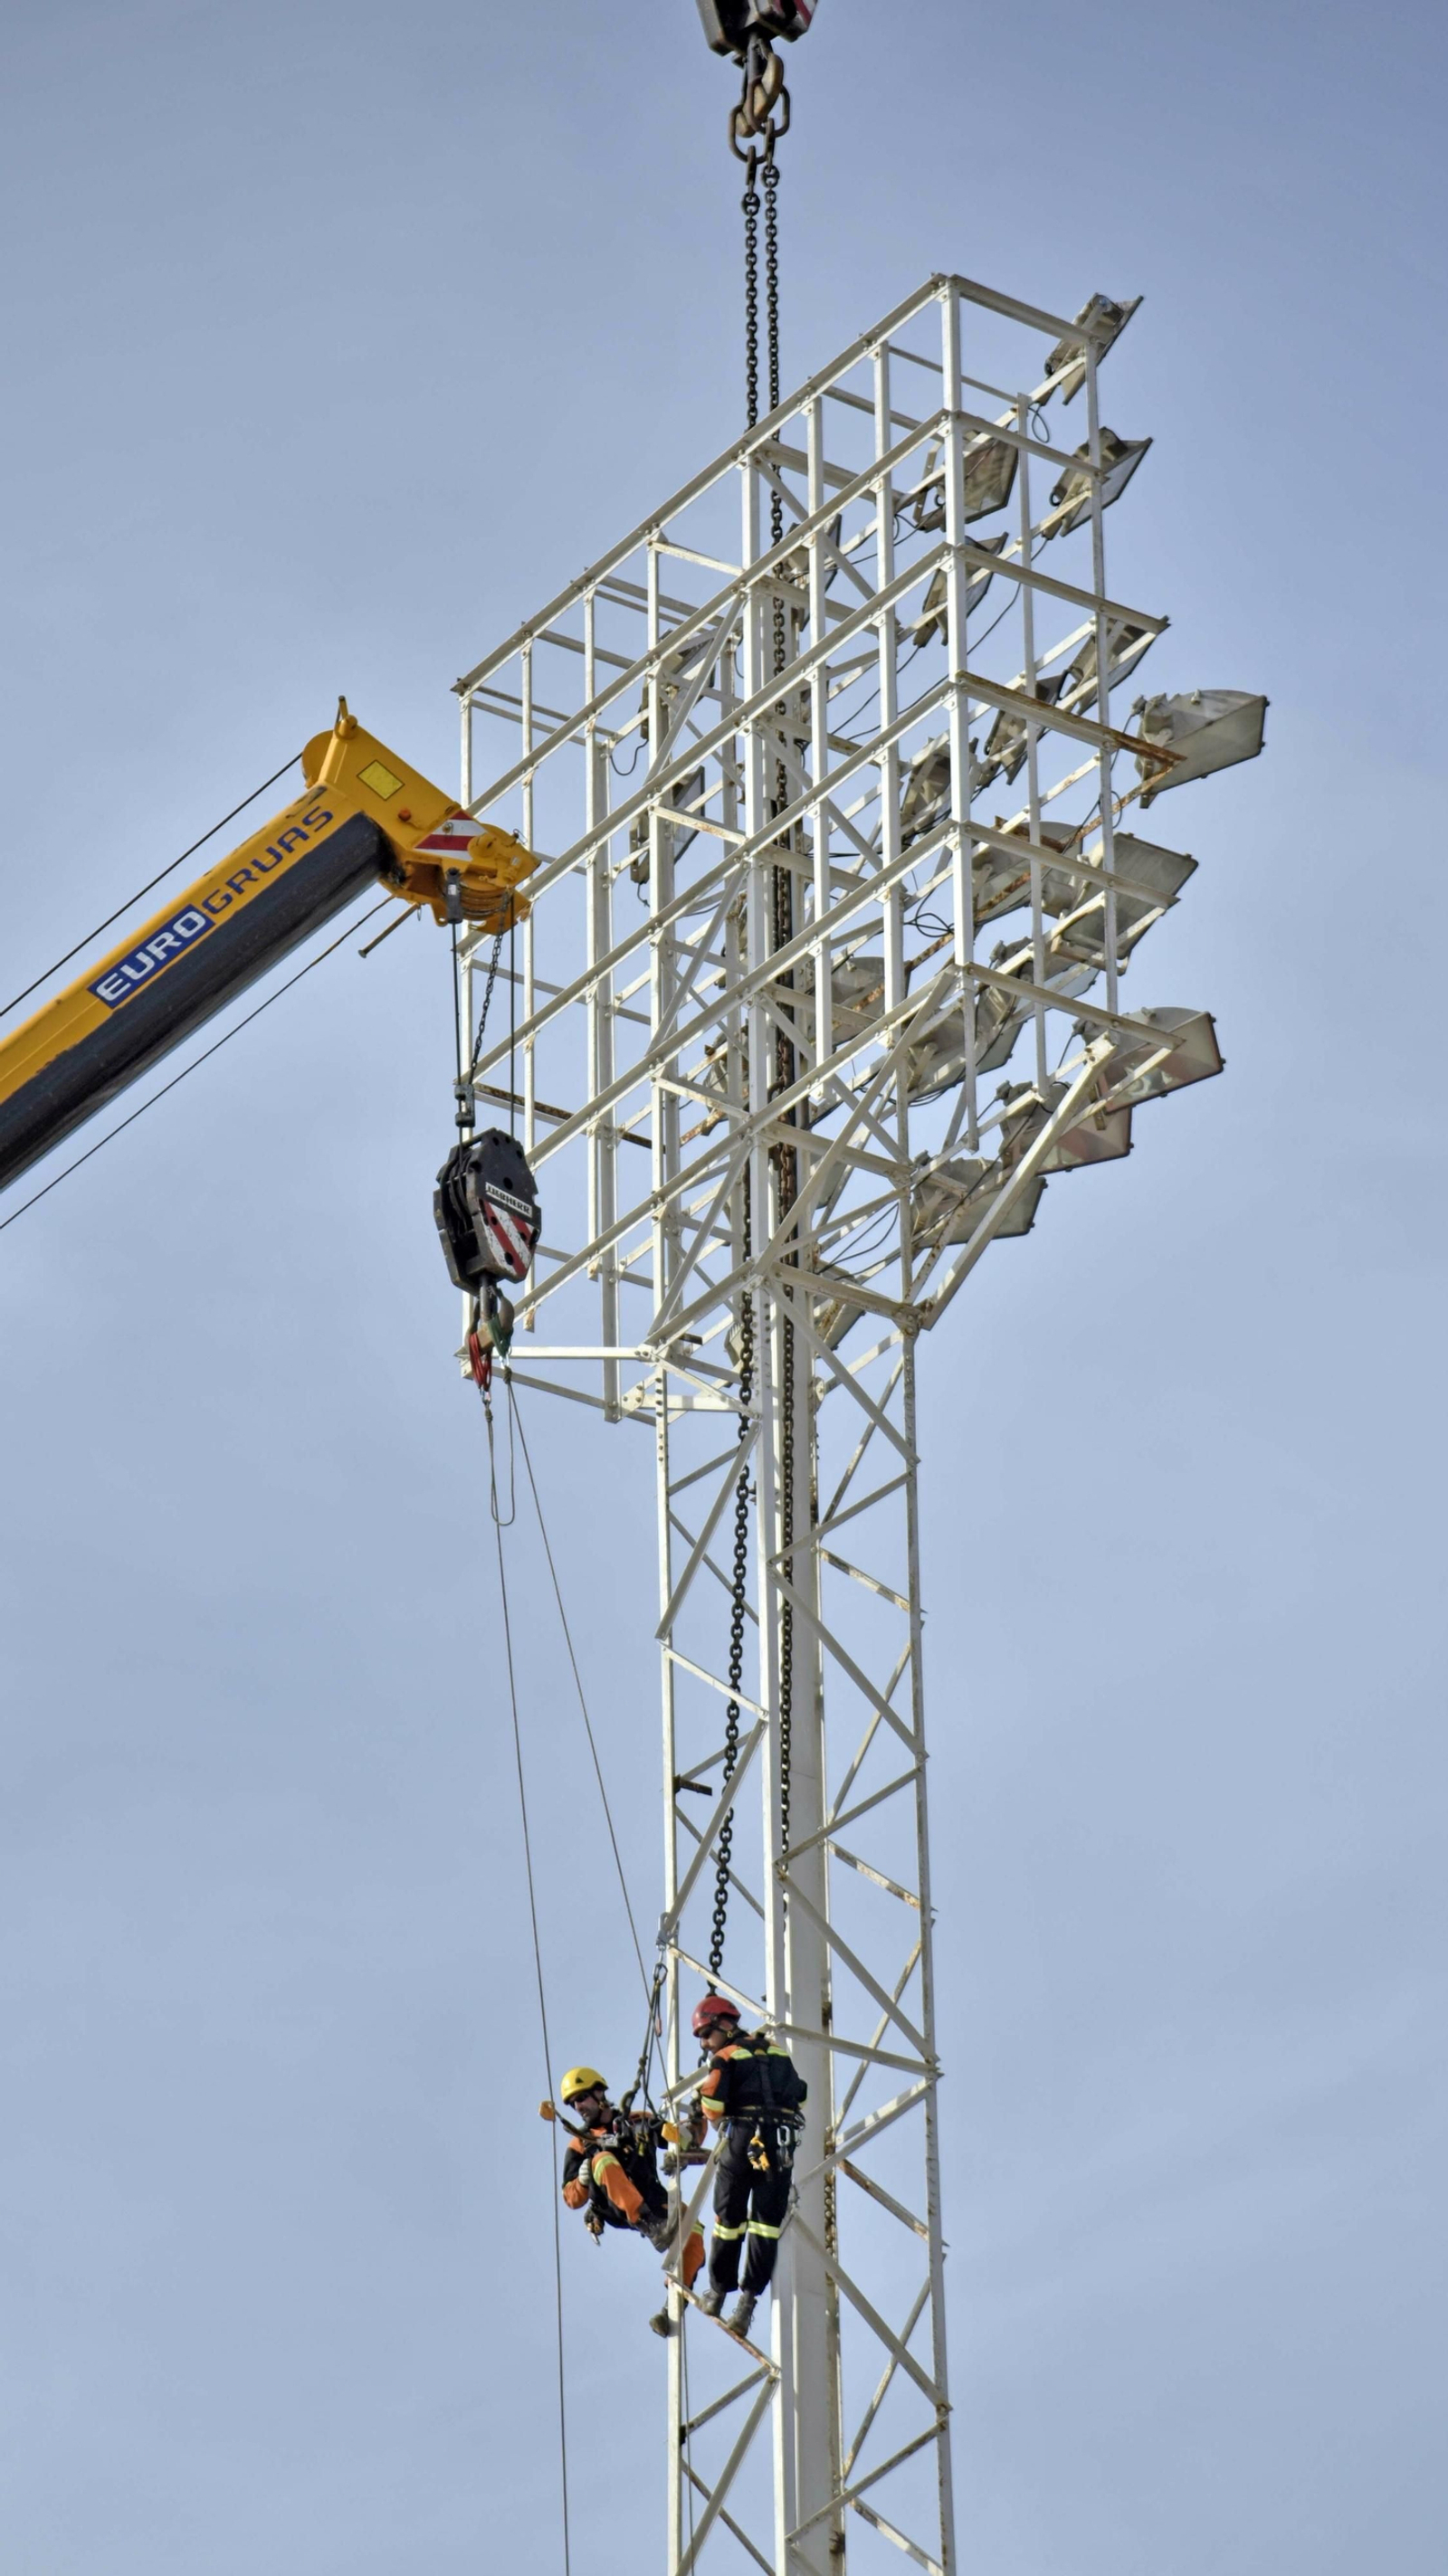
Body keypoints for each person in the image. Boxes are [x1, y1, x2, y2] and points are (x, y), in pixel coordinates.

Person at [557, 2066, 706, 2338]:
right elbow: (571, 2197)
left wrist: (697, 2118)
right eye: (573, 2103)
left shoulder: (638, 2121)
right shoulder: (580, 2144)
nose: (578, 2107)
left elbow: (682, 2140)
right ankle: (649, 2225)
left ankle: (672, 2306)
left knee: (694, 2231)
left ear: (599, 2093)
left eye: (581, 2098)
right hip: (616, 2206)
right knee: (601, 2160)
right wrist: (582, 2179)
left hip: (650, 2195)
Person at [691, 1995, 806, 2343]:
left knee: (728, 2220)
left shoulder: (724, 2058)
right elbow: (800, 2093)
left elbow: (711, 2104)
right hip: (780, 2145)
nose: (704, 2043)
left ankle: (718, 2292)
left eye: (706, 2034)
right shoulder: (778, 2052)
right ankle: (747, 2304)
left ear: (724, 2025)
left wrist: (709, 2113)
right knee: (766, 2225)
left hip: (743, 2140)